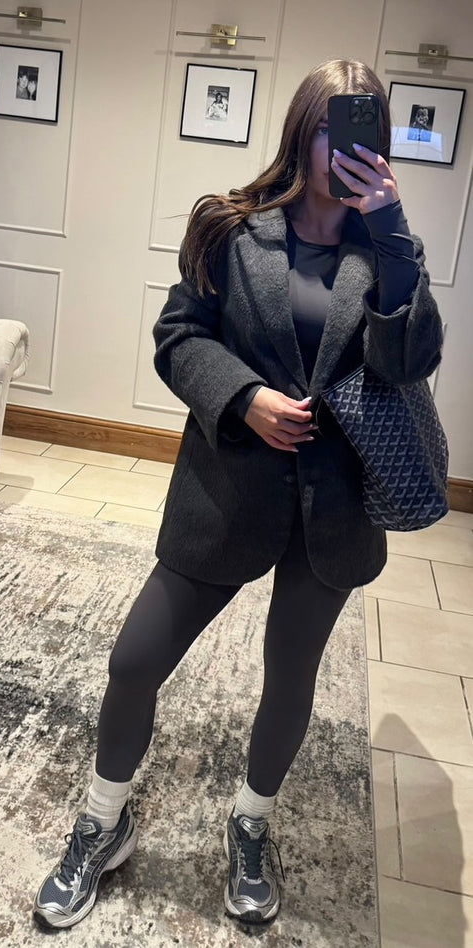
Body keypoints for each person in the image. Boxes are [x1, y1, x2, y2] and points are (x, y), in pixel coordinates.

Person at [33, 59, 442, 930]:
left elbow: (410, 362)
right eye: (331, 127)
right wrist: (243, 397)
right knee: (133, 661)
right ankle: (103, 821)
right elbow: (178, 335)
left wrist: (392, 231)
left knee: (289, 680)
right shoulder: (228, 226)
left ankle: (250, 824)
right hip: (227, 490)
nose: (345, 148)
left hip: (331, 506)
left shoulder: (385, 252)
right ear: (301, 130)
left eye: (364, 130)